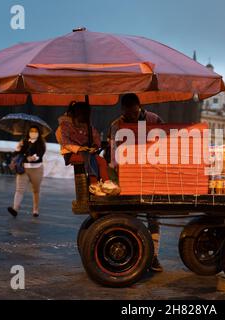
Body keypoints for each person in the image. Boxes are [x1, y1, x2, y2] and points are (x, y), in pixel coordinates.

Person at [109, 93, 164, 272]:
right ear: (122, 110)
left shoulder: (154, 119)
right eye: (127, 113)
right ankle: (134, 253)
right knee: (130, 216)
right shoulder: (117, 125)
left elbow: (166, 142)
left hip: (151, 174)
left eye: (133, 113)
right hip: (129, 176)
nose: (130, 116)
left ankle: (154, 256)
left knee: (153, 216)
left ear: (139, 107)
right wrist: (118, 168)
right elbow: (113, 152)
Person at [56, 101, 119, 196]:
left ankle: (107, 183)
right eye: (80, 122)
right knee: (89, 157)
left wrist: (95, 145)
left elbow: (96, 136)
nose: (82, 125)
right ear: (73, 116)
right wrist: (80, 148)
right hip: (71, 154)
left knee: (101, 161)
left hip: (87, 152)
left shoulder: (87, 126)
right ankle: (93, 184)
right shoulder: (63, 127)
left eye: (84, 122)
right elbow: (65, 143)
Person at [7, 126, 46, 218]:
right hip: (23, 169)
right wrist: (18, 148)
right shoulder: (24, 141)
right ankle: (15, 209)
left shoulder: (41, 143)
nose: (33, 133)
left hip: (37, 169)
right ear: (28, 132)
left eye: (35, 131)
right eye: (31, 131)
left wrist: (33, 158)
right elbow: (16, 154)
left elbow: (40, 155)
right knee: (19, 189)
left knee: (36, 190)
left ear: (39, 133)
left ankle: (35, 209)